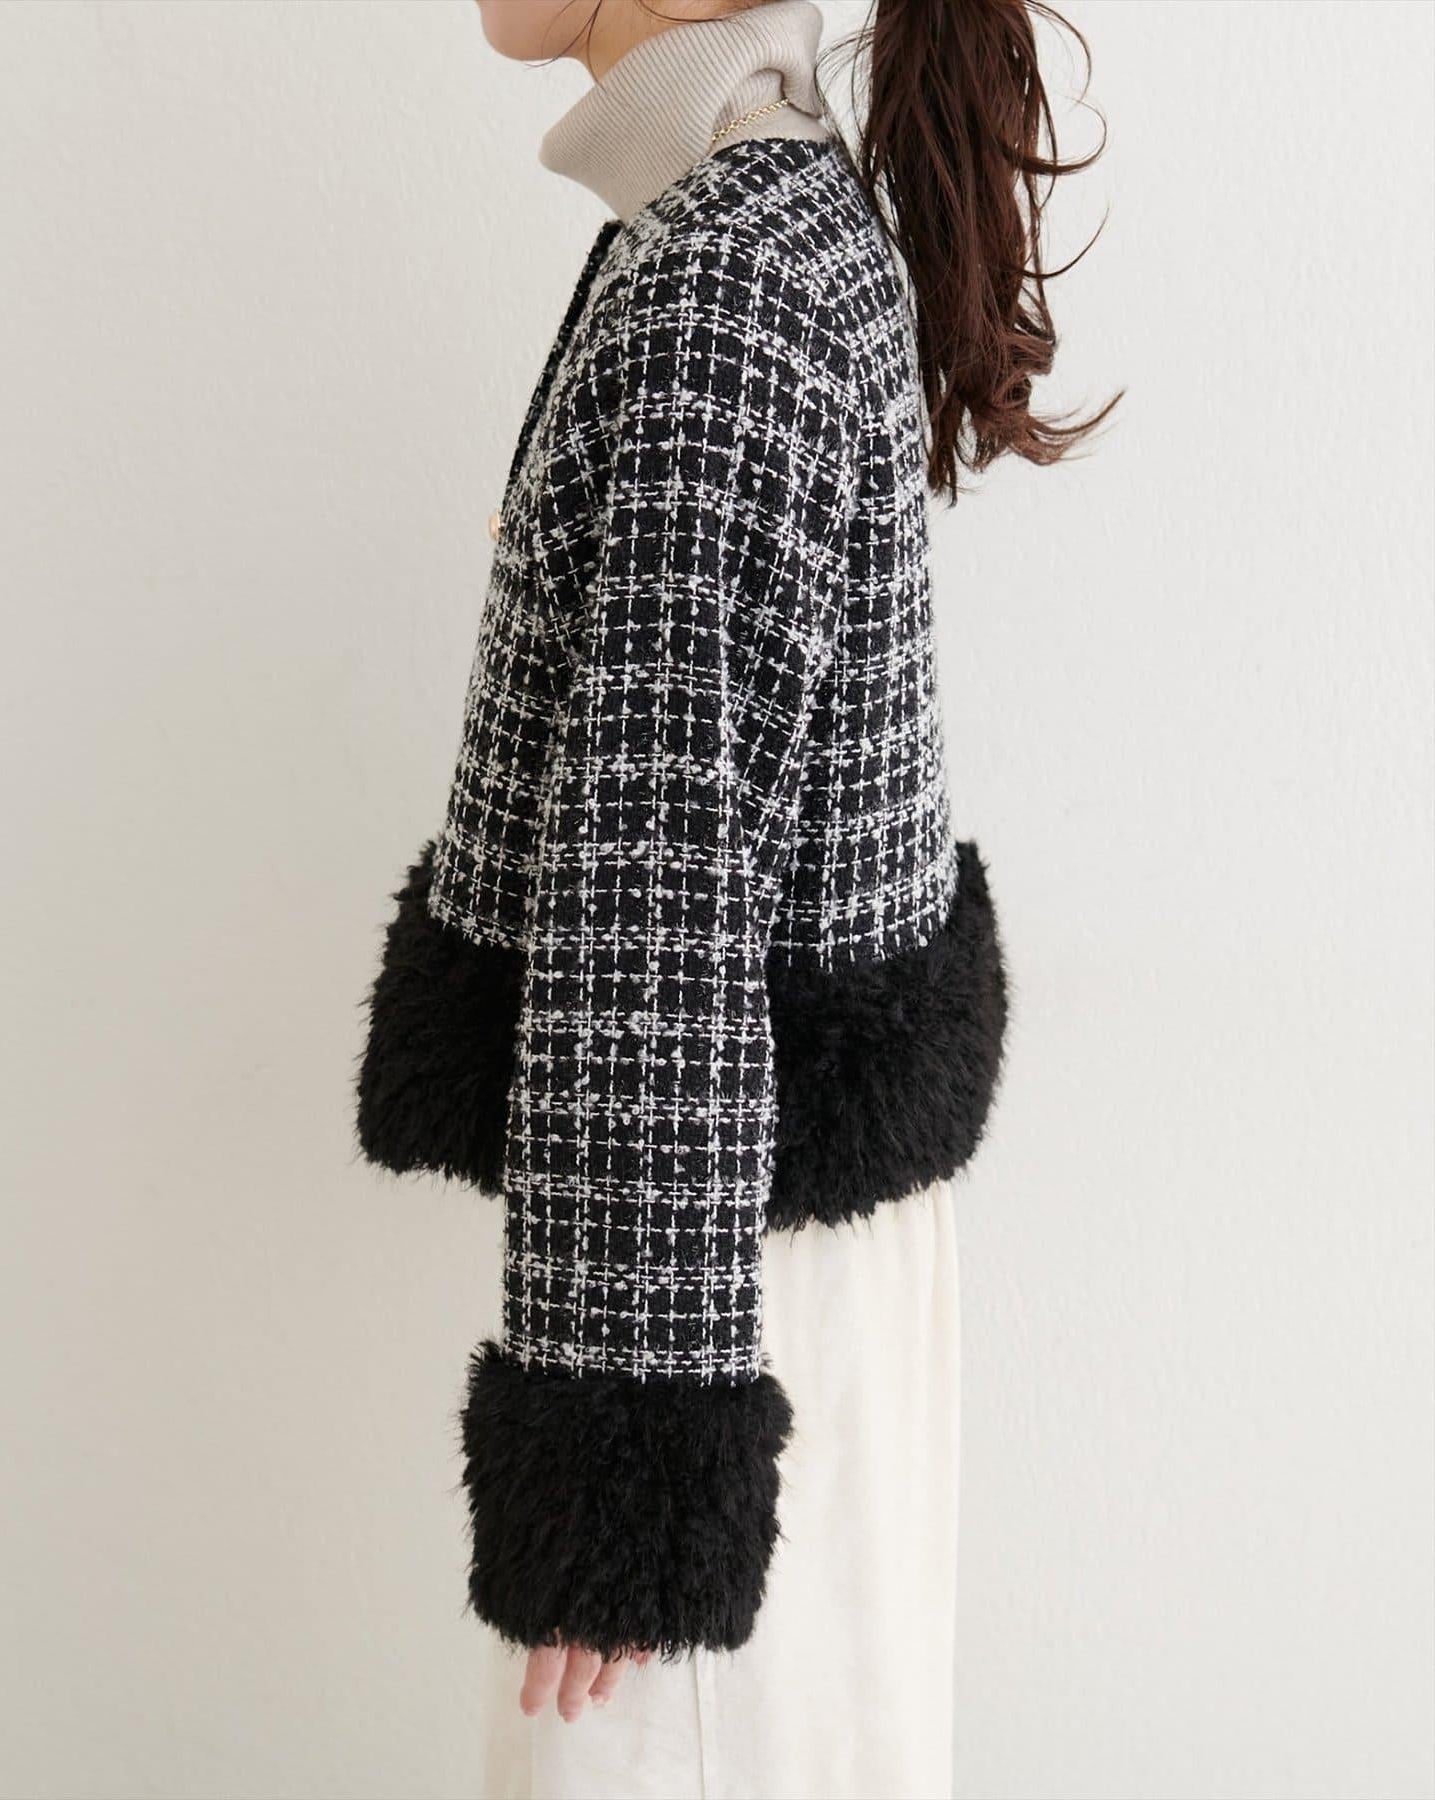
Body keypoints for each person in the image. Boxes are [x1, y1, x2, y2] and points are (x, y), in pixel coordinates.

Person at [356, 2, 1113, 1794]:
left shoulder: (724, 286)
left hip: (715, 1297)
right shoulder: (733, 223)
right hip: (739, 1239)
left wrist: (625, 1479)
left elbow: (660, 895)